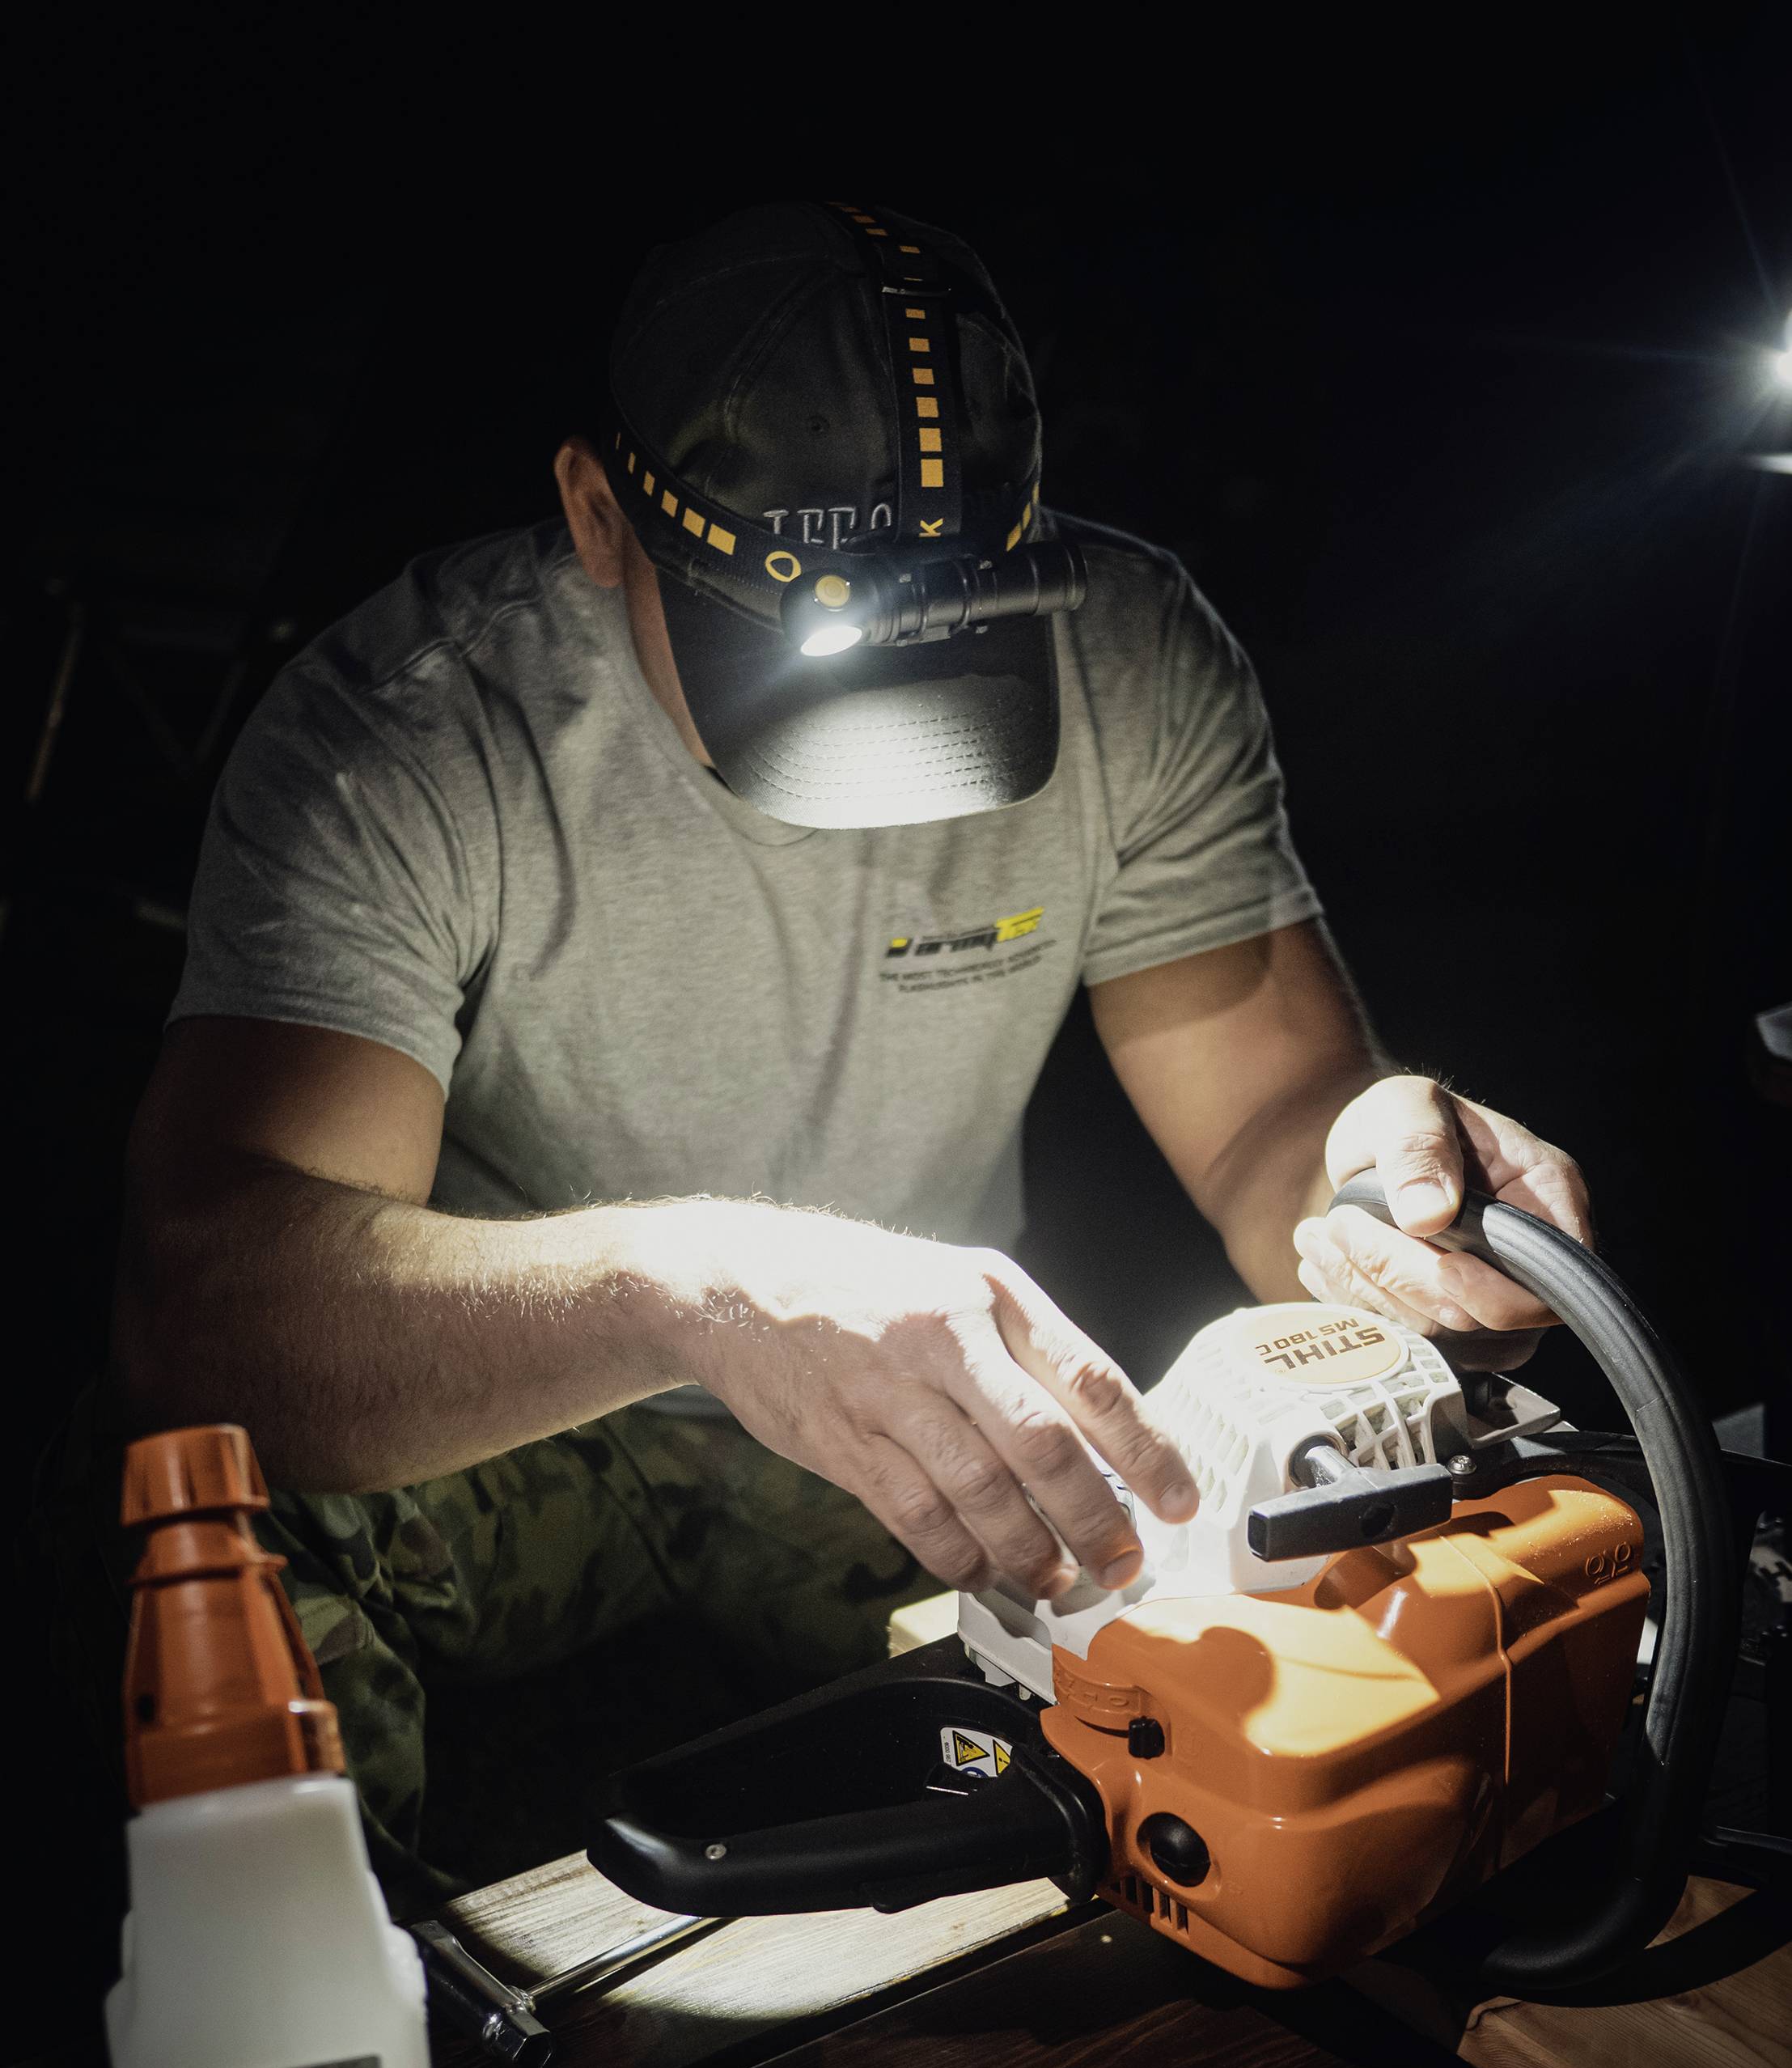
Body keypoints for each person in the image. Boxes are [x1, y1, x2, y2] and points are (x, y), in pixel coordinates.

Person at [41, 201, 1591, 1917]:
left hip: (893, 1417)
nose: (895, 721)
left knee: (1211, 1618)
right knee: (187, 1522)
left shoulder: (1131, 660)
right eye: (810, 636)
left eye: (959, 627)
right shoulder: (410, 732)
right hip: (517, 1397)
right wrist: (697, 1285)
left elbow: (1272, 1125)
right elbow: (206, 1316)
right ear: (596, 514)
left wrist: (1382, 1178)